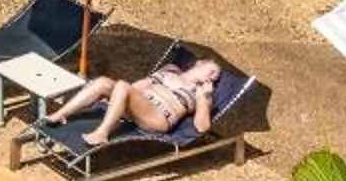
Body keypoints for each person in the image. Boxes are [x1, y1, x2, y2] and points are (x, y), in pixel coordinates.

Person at [44, 52, 223, 147]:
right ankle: (60, 114)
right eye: (213, 71)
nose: (214, 77)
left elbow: (202, 127)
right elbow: (139, 86)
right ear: (199, 63)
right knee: (103, 82)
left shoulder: (202, 92)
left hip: (158, 118)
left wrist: (203, 98)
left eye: (217, 77)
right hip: (140, 105)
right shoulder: (171, 69)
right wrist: (118, 100)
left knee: (122, 85)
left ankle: (102, 133)